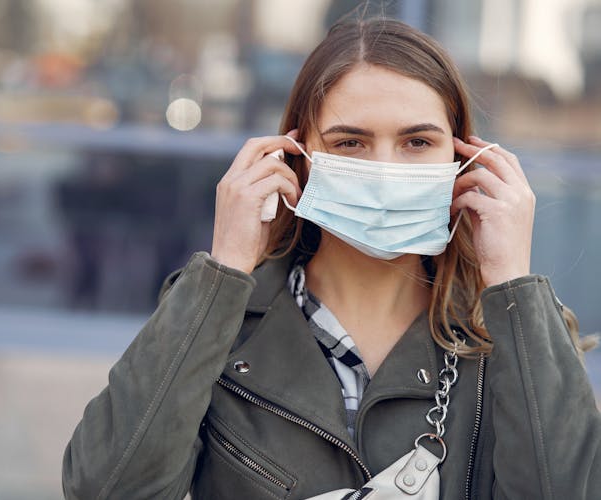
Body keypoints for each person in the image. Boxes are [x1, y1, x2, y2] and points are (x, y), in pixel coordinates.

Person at [62, 16, 601, 500]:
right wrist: (225, 269)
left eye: (417, 142)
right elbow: (106, 488)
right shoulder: (223, 320)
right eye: (350, 143)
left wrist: (509, 281)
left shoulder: (511, 331)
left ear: (463, 161)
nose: (386, 168)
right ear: (296, 157)